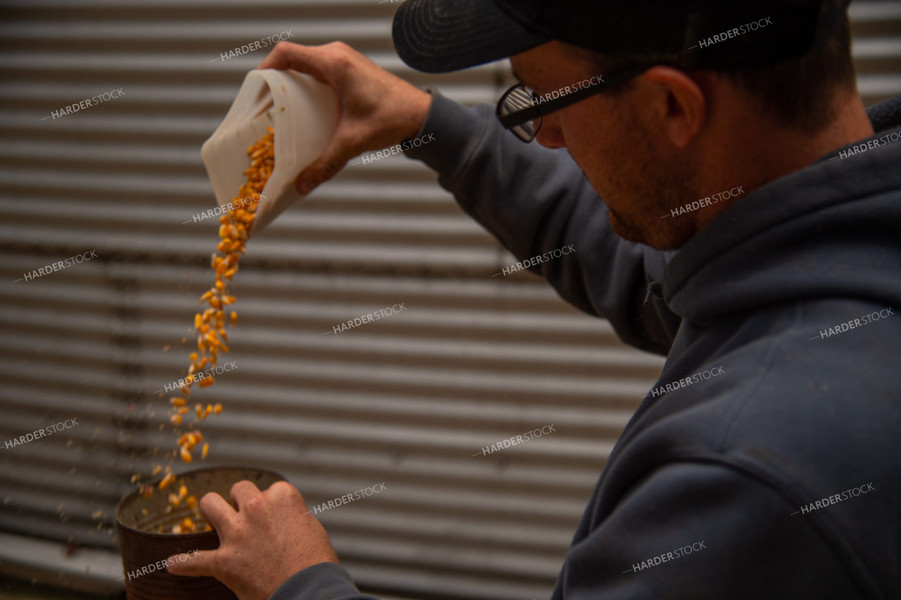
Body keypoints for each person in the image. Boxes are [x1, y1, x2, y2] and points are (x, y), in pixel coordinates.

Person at [169, 0, 901, 598]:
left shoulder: (745, 479)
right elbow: (640, 257)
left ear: (674, 107)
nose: (542, 136)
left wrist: (300, 587)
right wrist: (430, 124)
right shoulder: (821, 255)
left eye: (543, 100)